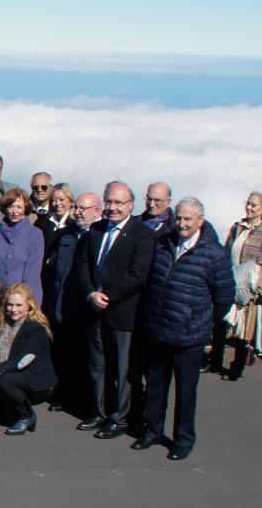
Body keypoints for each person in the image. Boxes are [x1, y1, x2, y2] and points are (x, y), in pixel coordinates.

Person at [131, 197, 234, 460]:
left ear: (200, 220)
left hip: (189, 335)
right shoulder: (164, 244)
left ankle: (183, 439)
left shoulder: (214, 254)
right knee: (156, 385)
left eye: (188, 219)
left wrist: (200, 320)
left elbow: (224, 296)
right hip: (158, 328)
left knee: (185, 391)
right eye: (178, 218)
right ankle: (152, 431)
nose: (182, 223)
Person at [73, 181, 156, 439]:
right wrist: (90, 293)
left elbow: (137, 275)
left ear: (131, 205)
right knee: (97, 364)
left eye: (118, 203)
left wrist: (108, 296)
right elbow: (82, 265)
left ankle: (118, 418)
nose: (112, 207)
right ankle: (98, 411)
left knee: (122, 368)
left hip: (123, 312)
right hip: (94, 308)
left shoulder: (142, 235)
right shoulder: (95, 231)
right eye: (108, 202)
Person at [41, 191, 101, 412]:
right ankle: (63, 394)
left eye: (83, 209)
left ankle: (85, 400)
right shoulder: (65, 235)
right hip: (59, 303)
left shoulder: (98, 236)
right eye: (76, 207)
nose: (77, 212)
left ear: (97, 211)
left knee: (85, 357)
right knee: (63, 353)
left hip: (84, 307)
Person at [0, 283, 57, 435]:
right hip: (6, 374)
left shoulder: (35, 329)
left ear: (28, 306)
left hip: (33, 381)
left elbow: (21, 361)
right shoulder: (1, 324)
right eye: (10, 305)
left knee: (6, 381)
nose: (13, 309)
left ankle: (27, 416)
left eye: (19, 305)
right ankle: (12, 409)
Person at [210, 192, 262, 380]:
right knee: (221, 323)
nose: (248, 207)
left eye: (253, 205)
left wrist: (252, 288)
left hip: (247, 287)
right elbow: (225, 252)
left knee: (243, 329)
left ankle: (236, 368)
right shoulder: (237, 228)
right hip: (228, 280)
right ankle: (214, 362)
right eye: (247, 203)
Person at [0, 187, 45, 302]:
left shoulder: (35, 234)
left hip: (26, 299)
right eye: (10, 206)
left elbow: (32, 272)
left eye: (19, 207)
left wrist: (20, 298)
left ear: (25, 209)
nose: (14, 211)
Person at [38, 182, 75, 250]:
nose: (57, 203)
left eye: (61, 199)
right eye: (54, 200)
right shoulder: (43, 222)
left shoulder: (74, 226)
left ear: (71, 201)